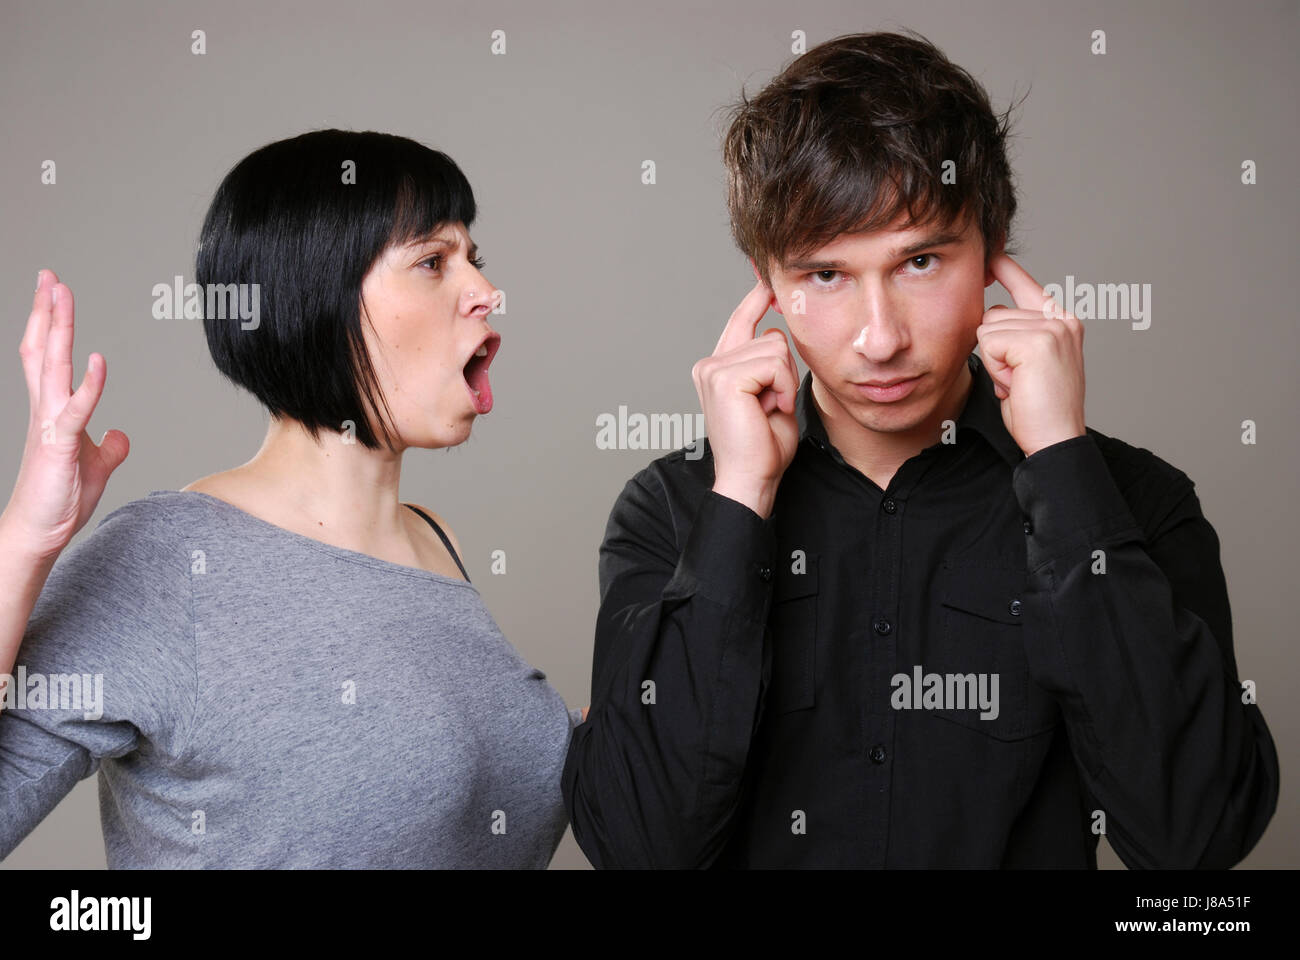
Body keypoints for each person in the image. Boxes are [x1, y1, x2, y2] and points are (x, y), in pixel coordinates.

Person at [562, 30, 1279, 868]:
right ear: (768, 284)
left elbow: (1196, 841)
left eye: (921, 261)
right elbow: (640, 848)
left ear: (993, 254)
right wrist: (740, 502)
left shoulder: (1130, 498)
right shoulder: (675, 511)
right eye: (825, 275)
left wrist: (1060, 463)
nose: (879, 339)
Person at [0, 130, 586, 868]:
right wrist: (24, 537)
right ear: (316, 300)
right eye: (434, 262)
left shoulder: (437, 543)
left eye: (476, 260)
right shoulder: (166, 562)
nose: (482, 291)